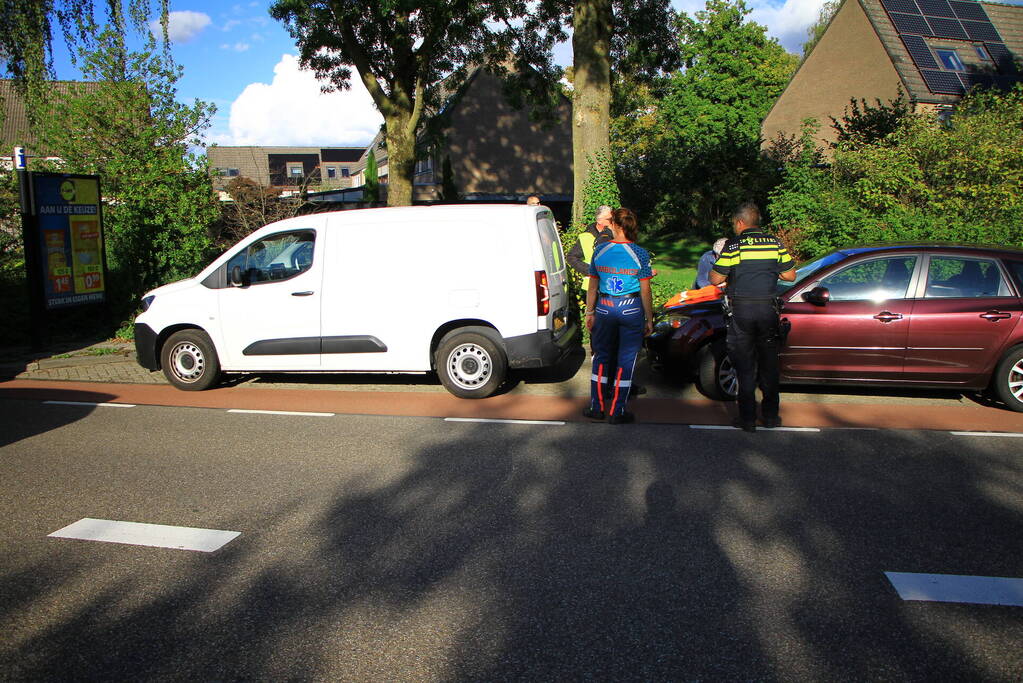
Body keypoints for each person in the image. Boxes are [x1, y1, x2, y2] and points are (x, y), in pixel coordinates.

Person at [710, 201, 796, 432]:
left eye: (734, 224)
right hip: (768, 310)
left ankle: (747, 419)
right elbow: (790, 275)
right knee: (769, 364)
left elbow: (715, 279)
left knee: (745, 365)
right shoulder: (775, 243)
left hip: (742, 311)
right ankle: (770, 416)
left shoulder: (734, 245)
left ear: (740, 223)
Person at [583, 208, 654, 424]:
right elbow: (645, 290)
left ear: (614, 225)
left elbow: (593, 286)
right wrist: (649, 319)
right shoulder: (640, 253)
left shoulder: (600, 250)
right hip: (631, 307)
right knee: (626, 359)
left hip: (604, 307)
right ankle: (618, 409)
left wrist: (589, 311)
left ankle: (597, 406)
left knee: (601, 357)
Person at [566, 205, 613, 277]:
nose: (612, 222)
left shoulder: (615, 235)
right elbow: (571, 257)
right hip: (591, 284)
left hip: (611, 284)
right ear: (599, 220)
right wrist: (590, 270)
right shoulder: (586, 237)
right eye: (610, 219)